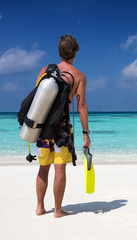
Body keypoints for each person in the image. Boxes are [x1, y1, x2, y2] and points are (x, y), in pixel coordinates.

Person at [35, 34, 91, 218]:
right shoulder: (79, 76)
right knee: (59, 168)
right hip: (62, 129)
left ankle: (39, 207)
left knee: (43, 168)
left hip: (42, 127)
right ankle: (57, 210)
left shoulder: (45, 69)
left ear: (59, 51)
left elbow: (37, 99)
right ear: (74, 52)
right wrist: (85, 134)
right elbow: (81, 106)